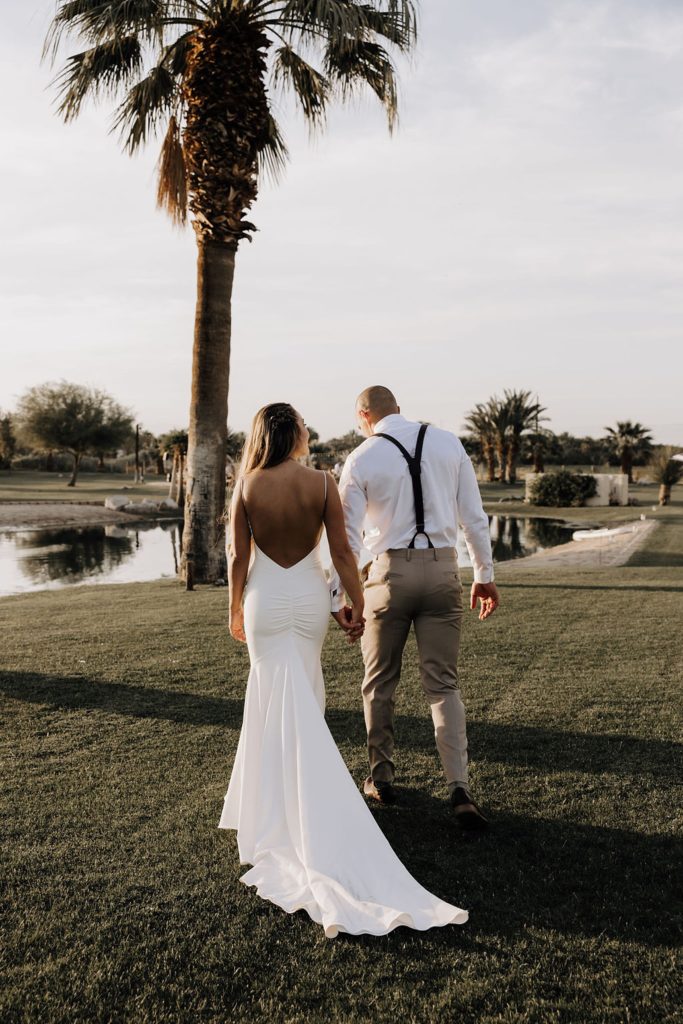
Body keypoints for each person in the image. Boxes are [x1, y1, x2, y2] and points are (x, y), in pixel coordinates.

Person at [220, 402, 468, 938]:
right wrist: (355, 604)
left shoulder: (247, 484)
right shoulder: (322, 482)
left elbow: (239, 559)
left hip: (265, 599)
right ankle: (305, 802)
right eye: (305, 426)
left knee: (267, 693)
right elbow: (341, 551)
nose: (310, 432)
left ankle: (271, 812)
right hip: (307, 599)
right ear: (296, 434)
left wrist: (235, 608)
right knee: (303, 695)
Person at [339, 386, 500, 828]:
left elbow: (347, 540)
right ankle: (460, 789)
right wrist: (483, 576)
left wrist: (343, 597)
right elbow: (474, 516)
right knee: (443, 685)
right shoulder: (449, 443)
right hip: (444, 572)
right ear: (398, 408)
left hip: (388, 576)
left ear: (364, 414)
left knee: (379, 682)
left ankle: (381, 777)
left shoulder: (361, 457)